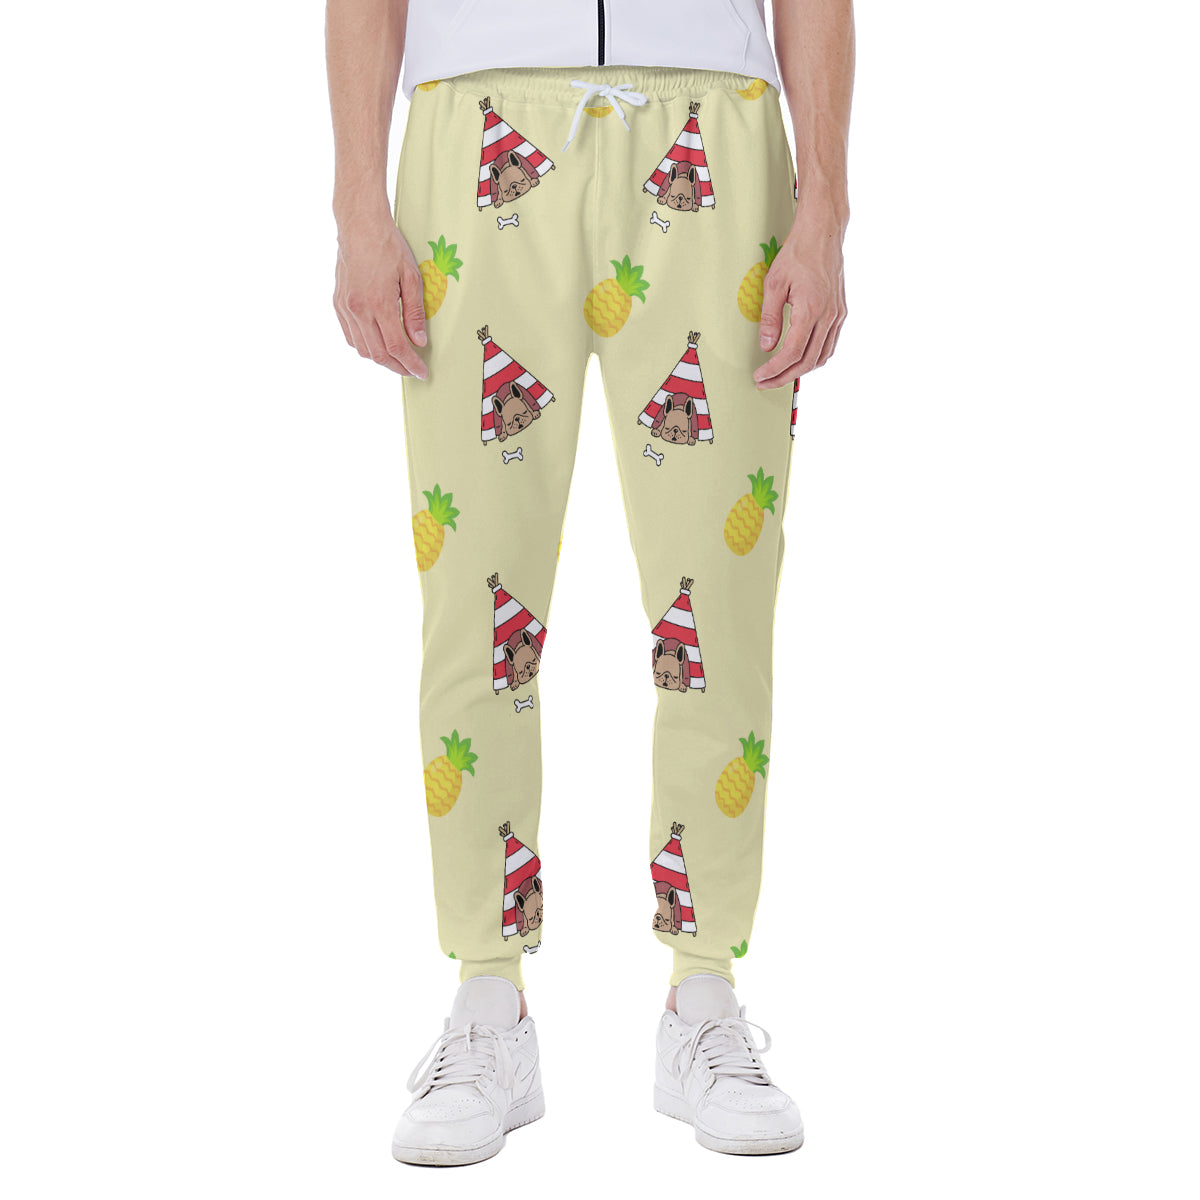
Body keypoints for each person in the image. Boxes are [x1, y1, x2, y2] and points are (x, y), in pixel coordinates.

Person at [326, 0, 853, 1164]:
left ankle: (703, 995)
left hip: (717, 122)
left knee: (719, 602)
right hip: (473, 119)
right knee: (475, 601)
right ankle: (487, 1001)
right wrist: (358, 203)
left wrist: (825, 209)